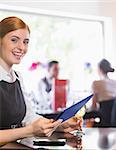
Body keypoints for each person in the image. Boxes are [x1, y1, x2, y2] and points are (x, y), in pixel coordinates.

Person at [0, 16, 81, 145]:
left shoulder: (18, 78)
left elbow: (29, 117)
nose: (22, 47)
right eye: (14, 40)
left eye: (26, 42)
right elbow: (30, 128)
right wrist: (30, 131)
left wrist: (58, 125)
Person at [91, 59, 116, 127]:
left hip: (104, 119)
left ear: (99, 69)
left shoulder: (96, 83)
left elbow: (94, 106)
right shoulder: (114, 82)